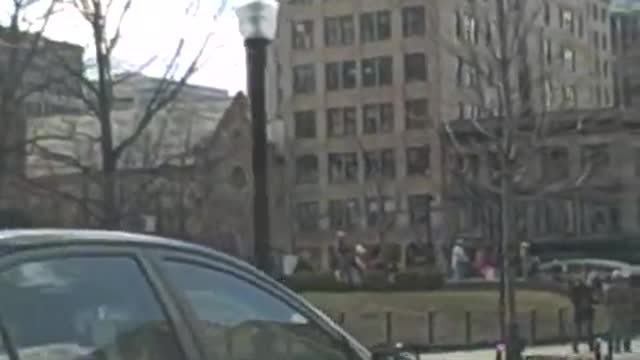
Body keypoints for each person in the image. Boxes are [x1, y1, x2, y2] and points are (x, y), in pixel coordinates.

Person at [604, 270, 633, 354]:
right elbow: (629, 300)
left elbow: (606, 302)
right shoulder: (625, 288)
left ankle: (618, 347)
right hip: (623, 311)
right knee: (625, 330)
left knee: (618, 330)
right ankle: (625, 347)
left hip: (616, 312)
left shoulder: (609, 289)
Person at [569, 277, 596, 353]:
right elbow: (592, 299)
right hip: (587, 311)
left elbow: (573, 300)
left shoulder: (575, 289)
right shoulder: (587, 289)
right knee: (589, 330)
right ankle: (590, 346)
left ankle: (575, 347)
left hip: (579, 311)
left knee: (578, 330)